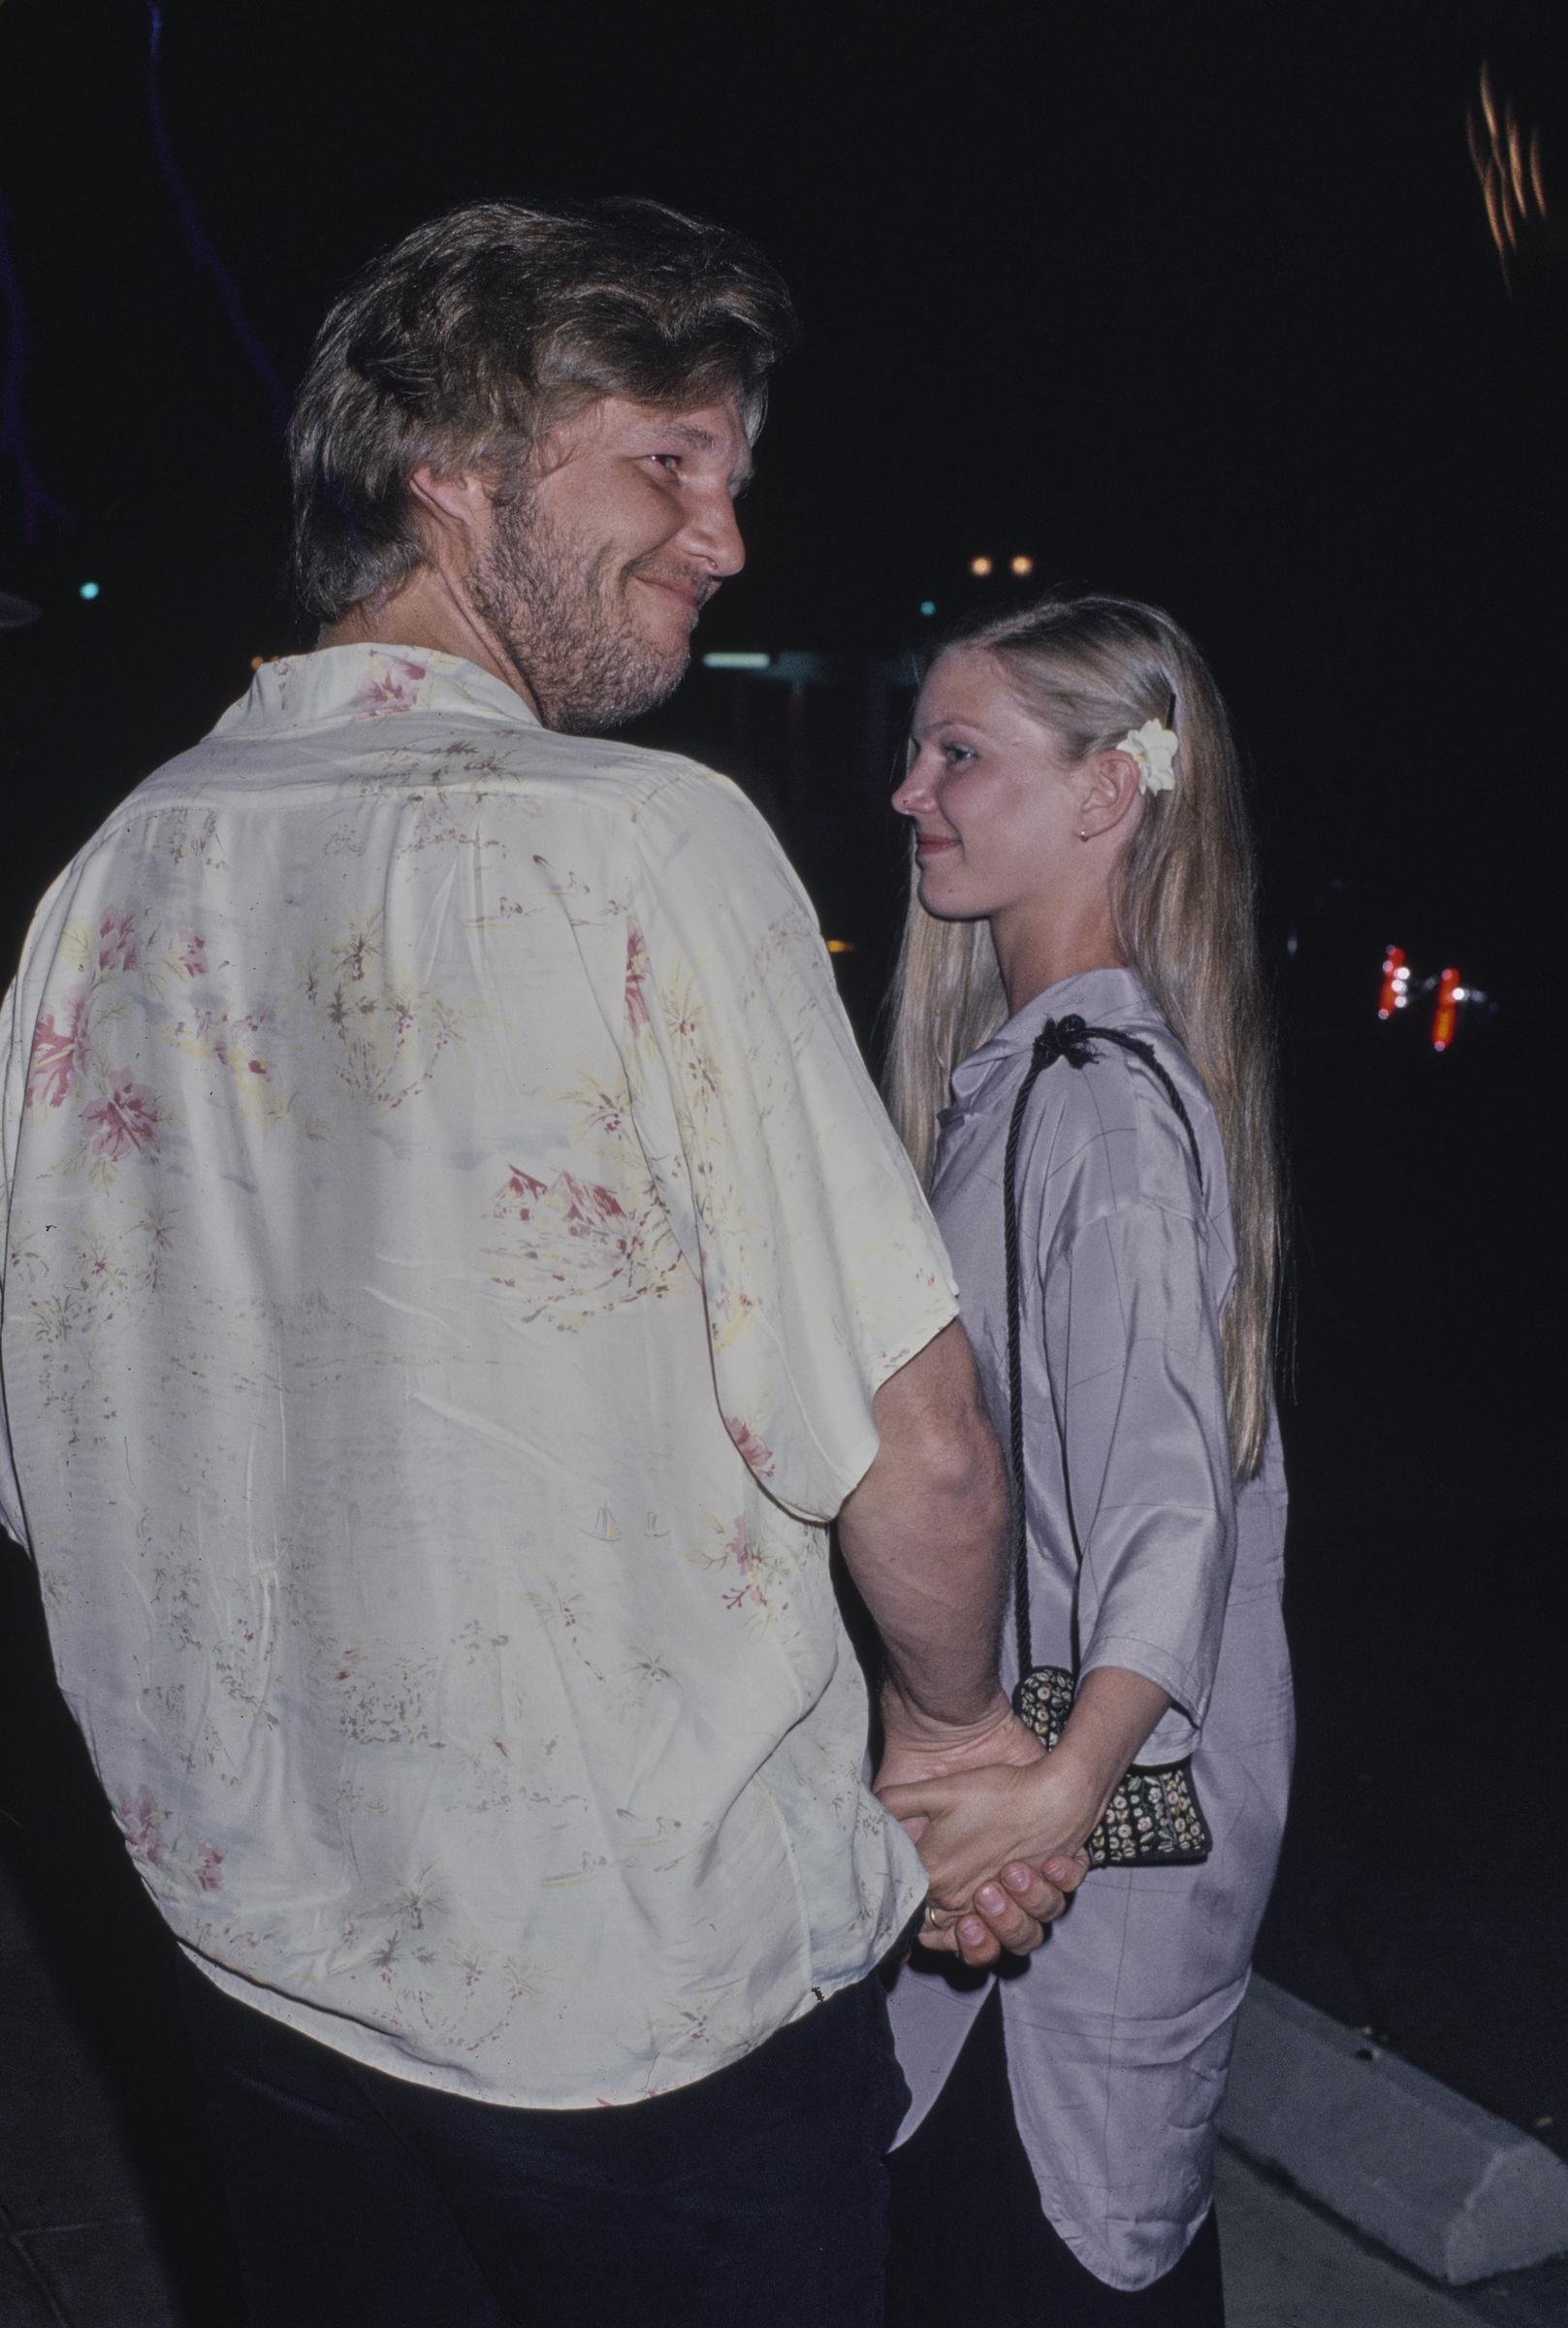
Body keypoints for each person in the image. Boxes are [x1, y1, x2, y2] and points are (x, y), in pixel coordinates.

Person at [0, 199, 1074, 2328]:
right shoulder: (636, 841)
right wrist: (955, 1745)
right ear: (446, 465)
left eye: (734, 476)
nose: (724, 535)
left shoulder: (105, 881)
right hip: (641, 2015)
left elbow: (56, 1470)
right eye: (663, 459)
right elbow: (917, 1451)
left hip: (257, 1970)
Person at [878, 592, 1295, 2324]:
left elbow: (1162, 1512)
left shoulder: (1092, 1099)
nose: (909, 792)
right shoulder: (1033, 1076)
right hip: (1037, 1799)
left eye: (959, 753)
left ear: (1108, 793)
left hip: (1084, 1814)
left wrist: (1046, 1800)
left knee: (1057, 2257)